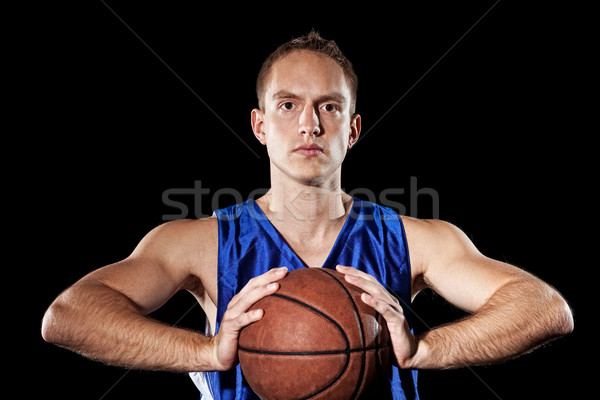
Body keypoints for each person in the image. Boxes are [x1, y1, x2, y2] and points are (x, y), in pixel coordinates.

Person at [41, 31, 573, 400]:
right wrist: (207, 350)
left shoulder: (416, 240)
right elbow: (68, 315)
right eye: (288, 105)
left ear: (354, 129)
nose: (310, 125)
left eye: (330, 106)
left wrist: (429, 348)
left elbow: (546, 308)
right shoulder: (199, 243)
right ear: (260, 125)